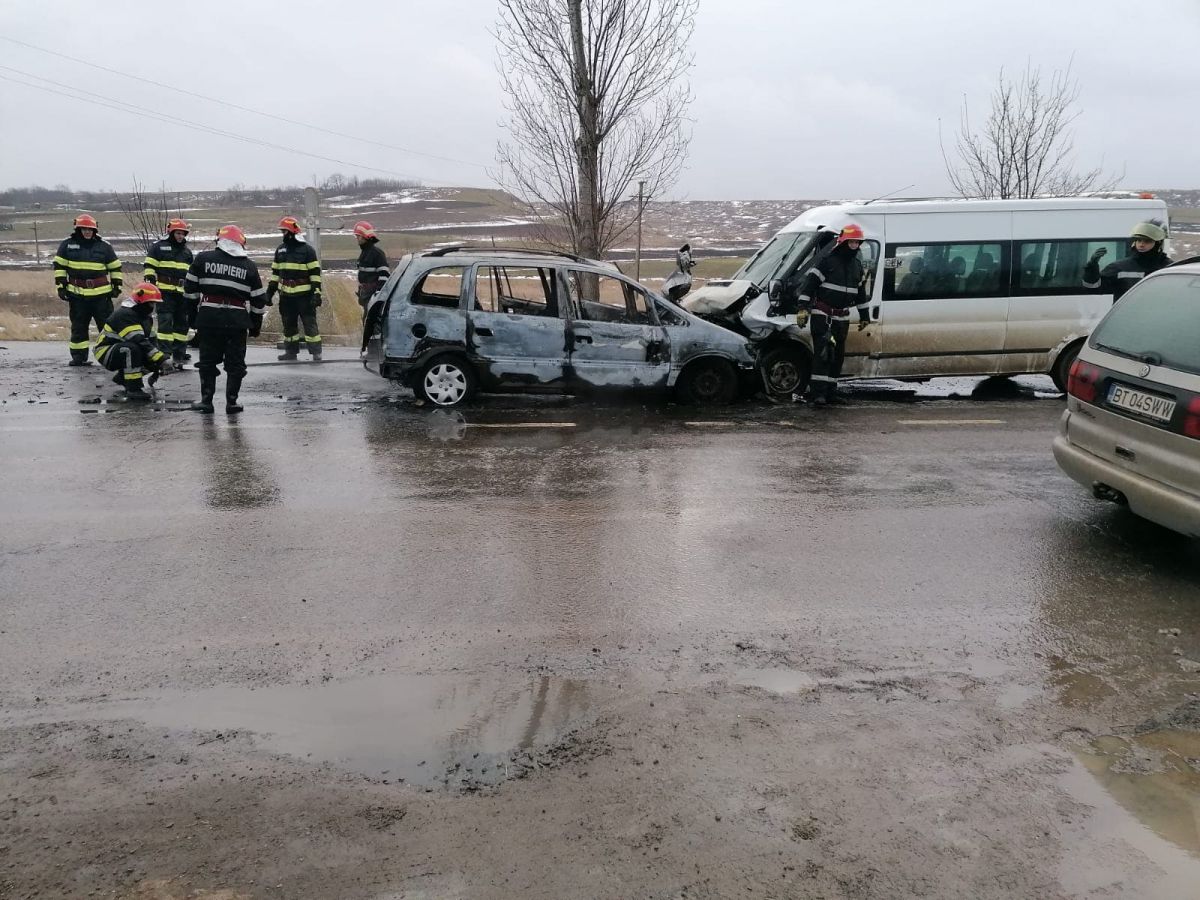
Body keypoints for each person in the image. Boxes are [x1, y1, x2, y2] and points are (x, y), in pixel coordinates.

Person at [182, 225, 267, 414]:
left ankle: (206, 401)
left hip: (209, 318)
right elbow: (258, 300)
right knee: (235, 363)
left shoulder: (203, 259)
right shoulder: (249, 266)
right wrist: (255, 325)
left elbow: (190, 292)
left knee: (207, 361)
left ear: (219, 241)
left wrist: (193, 317)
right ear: (240, 243)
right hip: (237, 321)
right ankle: (232, 403)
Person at [797, 223, 870, 407]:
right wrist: (803, 308)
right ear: (843, 242)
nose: (854, 245)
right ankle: (818, 394)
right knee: (823, 356)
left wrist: (865, 315)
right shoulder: (827, 262)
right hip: (823, 316)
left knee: (837, 357)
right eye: (851, 242)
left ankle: (831, 393)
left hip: (842, 318)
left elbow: (860, 293)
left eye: (857, 242)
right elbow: (809, 286)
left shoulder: (857, 266)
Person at [53, 214, 124, 366]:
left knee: (107, 327)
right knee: (78, 327)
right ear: (78, 230)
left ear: (95, 230)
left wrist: (117, 286)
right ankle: (79, 357)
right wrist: (61, 287)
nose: (87, 232)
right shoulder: (67, 245)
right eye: (84, 229)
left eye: (90, 229)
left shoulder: (104, 246)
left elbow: (115, 267)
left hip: (101, 295)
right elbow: (59, 267)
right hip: (77, 295)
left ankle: (112, 355)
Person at [92, 282, 172, 401]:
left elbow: (151, 343)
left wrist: (160, 362)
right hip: (105, 352)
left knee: (151, 355)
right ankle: (133, 389)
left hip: (121, 348)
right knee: (131, 349)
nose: (153, 307)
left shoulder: (145, 317)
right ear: (141, 301)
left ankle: (123, 378)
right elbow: (139, 340)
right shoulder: (125, 314)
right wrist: (161, 359)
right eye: (151, 303)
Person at [269, 215, 323, 361]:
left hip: (304, 296)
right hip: (286, 296)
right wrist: (269, 293)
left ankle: (316, 353)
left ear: (292, 232)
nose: (283, 234)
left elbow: (315, 274)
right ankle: (291, 352)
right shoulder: (280, 250)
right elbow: (275, 274)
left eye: (284, 231)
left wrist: (316, 293)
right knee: (288, 325)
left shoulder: (307, 250)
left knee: (310, 324)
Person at [143, 218, 195, 367]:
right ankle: (165, 354)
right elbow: (149, 266)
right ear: (171, 233)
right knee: (165, 323)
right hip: (164, 292)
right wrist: (151, 282)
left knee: (182, 325)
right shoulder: (158, 247)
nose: (180, 236)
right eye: (178, 233)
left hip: (182, 293)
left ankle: (179, 354)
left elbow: (191, 273)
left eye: (182, 234)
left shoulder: (187, 252)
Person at [1082, 220, 1172, 303]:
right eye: (1139, 240)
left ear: (1158, 243)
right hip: (1127, 314)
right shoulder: (1119, 267)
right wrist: (1092, 266)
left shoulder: (1169, 268)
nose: (1141, 244)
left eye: (1147, 241)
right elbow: (1093, 288)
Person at [353, 221, 390, 316]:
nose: (356, 238)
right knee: (366, 319)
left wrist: (378, 294)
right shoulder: (365, 252)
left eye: (358, 236)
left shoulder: (377, 253)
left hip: (373, 295)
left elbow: (384, 275)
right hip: (366, 295)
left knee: (370, 320)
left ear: (365, 236)